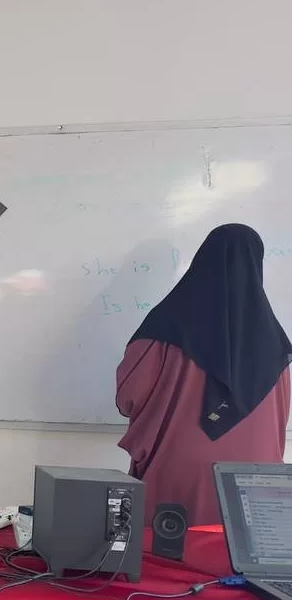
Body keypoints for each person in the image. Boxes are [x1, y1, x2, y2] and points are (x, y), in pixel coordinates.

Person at [116, 224, 292, 529]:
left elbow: (129, 396)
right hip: (254, 486)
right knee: (240, 555)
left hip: (178, 473)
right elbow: (281, 415)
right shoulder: (276, 344)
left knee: (167, 552)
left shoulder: (165, 325)